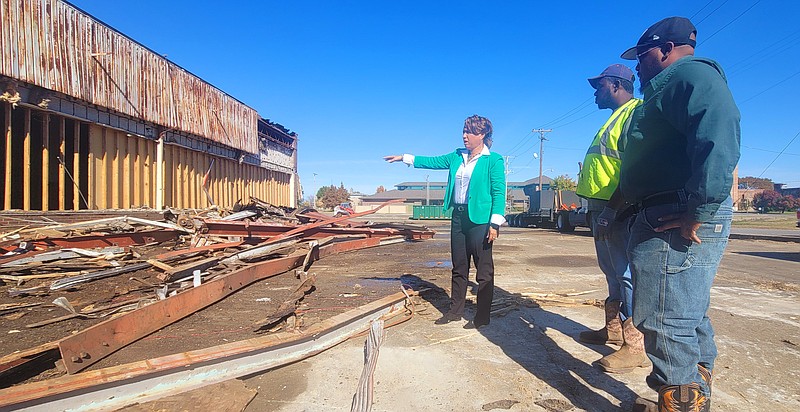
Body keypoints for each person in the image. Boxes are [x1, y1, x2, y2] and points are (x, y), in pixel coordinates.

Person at [605, 16, 740, 411]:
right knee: (686, 314)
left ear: (665, 50)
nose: (637, 66)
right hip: (666, 211)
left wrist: (698, 209)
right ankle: (692, 399)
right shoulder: (669, 87)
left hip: (675, 214)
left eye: (642, 56)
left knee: (666, 322)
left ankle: (680, 404)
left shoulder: (690, 77)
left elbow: (719, 132)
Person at [384, 115, 506, 329]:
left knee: (483, 270)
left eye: (470, 131)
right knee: (459, 266)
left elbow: (499, 192)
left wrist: (494, 224)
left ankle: (482, 315)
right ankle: (455, 311)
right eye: (464, 130)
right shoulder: (456, 155)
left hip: (480, 220)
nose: (464, 135)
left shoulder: (493, 160)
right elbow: (432, 161)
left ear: (482, 135)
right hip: (459, 217)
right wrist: (405, 157)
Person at [576, 64, 650, 374]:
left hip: (617, 209)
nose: (595, 91)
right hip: (601, 207)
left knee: (625, 273)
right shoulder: (614, 117)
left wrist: (611, 210)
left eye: (600, 85)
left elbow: (634, 169)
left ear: (617, 85)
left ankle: (635, 346)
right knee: (610, 271)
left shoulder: (635, 113)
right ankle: (613, 330)